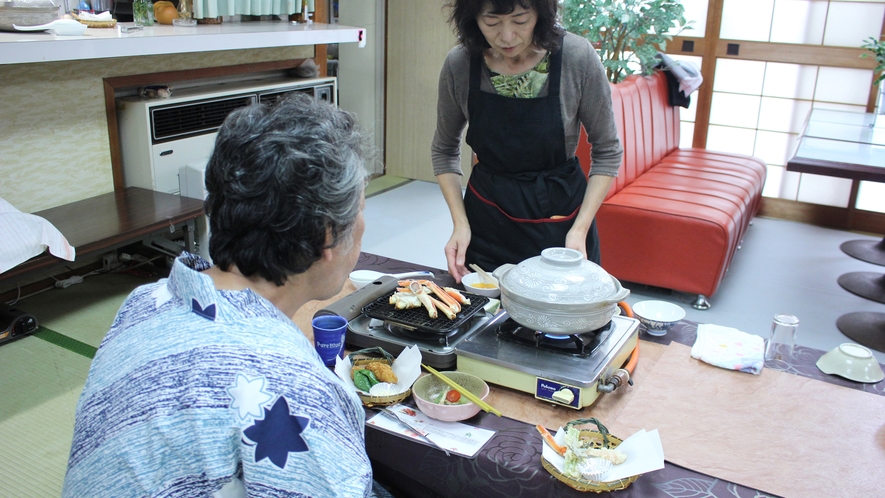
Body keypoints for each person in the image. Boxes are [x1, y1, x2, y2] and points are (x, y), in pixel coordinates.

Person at [63, 94, 388, 497]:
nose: (363, 225)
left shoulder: (143, 303)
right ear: (326, 235)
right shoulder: (292, 386)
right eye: (360, 208)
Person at [432, 0, 623, 282]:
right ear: (473, 19)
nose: (507, 36)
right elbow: (444, 150)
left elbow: (607, 151)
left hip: (561, 221)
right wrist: (460, 224)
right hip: (487, 216)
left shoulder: (575, 56)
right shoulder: (460, 62)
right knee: (485, 316)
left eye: (520, 21)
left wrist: (580, 229)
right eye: (492, 22)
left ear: (541, 14)